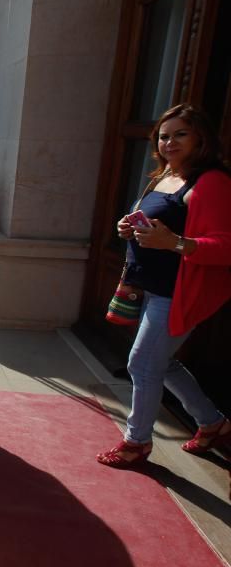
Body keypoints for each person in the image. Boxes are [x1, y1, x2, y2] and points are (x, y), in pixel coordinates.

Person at [97, 104, 231, 467]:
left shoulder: (212, 182)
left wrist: (173, 243)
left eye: (180, 134)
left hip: (176, 292)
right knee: (162, 364)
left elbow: (224, 245)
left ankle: (136, 442)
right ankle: (213, 424)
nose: (169, 141)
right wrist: (126, 228)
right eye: (164, 135)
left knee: (142, 365)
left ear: (200, 138)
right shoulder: (163, 175)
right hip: (148, 286)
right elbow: (150, 222)